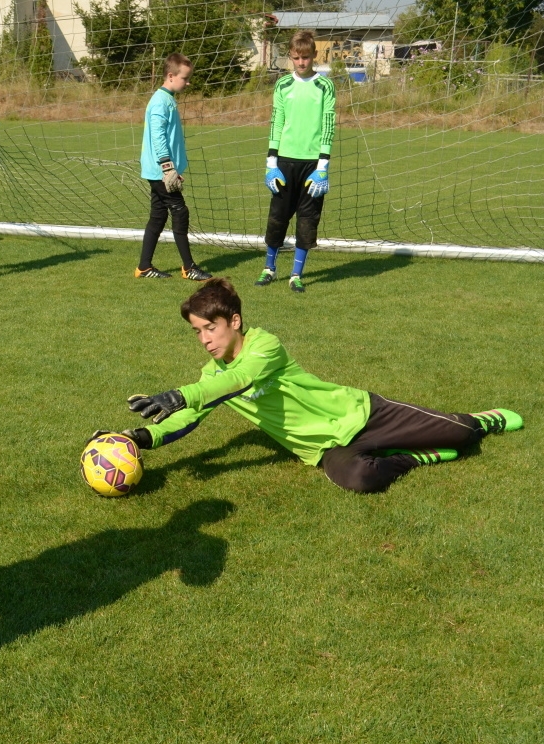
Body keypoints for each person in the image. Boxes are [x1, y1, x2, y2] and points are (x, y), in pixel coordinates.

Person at [116, 279, 522, 493]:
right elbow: (189, 417)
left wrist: (180, 392)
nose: (205, 339)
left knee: (463, 433)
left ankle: (481, 421)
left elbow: (242, 379)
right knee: (360, 480)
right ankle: (415, 457)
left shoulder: (264, 345)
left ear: (234, 321)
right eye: (197, 332)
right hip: (323, 449)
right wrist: (141, 437)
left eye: (210, 328)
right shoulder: (211, 378)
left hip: (362, 415)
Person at [258, 30, 336, 294]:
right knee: (277, 217)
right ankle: (269, 269)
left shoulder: (325, 86)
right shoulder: (282, 85)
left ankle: (296, 275)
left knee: (307, 219)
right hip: (284, 163)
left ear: (314, 55)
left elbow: (328, 125)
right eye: (296, 58)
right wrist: (271, 162)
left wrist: (323, 166)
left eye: (306, 57)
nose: (301, 62)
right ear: (290, 57)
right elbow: (276, 122)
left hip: (313, 165)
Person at [135, 53, 211, 282]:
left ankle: (144, 267)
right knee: (180, 211)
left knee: (158, 216)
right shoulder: (160, 101)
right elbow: (158, 136)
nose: (188, 83)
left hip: (160, 170)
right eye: (185, 78)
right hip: (160, 172)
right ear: (171, 76)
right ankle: (189, 268)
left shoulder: (167, 98)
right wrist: (168, 168)